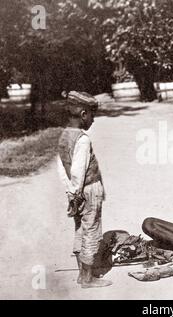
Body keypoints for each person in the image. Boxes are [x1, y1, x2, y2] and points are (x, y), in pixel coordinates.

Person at [56, 91, 112, 289]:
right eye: (92, 115)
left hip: (75, 192)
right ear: (83, 114)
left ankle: (82, 273)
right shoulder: (83, 139)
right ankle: (88, 278)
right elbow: (79, 172)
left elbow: (62, 169)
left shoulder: (63, 136)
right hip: (88, 190)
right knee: (91, 230)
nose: (93, 120)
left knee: (80, 229)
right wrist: (77, 192)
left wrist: (71, 193)